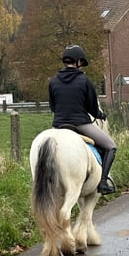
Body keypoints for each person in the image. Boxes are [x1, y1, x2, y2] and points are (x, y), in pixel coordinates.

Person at [48, 44, 117, 195]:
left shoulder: (53, 81)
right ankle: (103, 182)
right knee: (111, 146)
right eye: (81, 63)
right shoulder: (84, 80)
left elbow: (53, 106)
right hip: (80, 124)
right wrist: (100, 115)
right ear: (78, 61)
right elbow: (92, 107)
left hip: (59, 125)